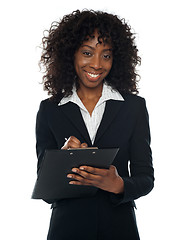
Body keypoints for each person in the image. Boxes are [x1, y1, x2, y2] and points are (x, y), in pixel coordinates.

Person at [36, 9, 154, 240]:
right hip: (66, 230)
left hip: (119, 229)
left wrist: (120, 185)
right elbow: (45, 191)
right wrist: (62, 160)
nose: (97, 64)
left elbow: (145, 178)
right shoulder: (50, 109)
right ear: (71, 54)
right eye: (87, 53)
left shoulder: (134, 106)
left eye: (106, 55)